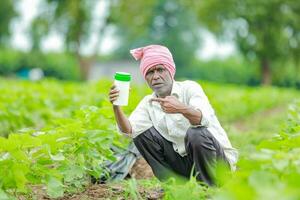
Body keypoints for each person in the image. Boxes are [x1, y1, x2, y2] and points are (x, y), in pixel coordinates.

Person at [108, 44, 238, 186]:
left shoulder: (189, 88)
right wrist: (116, 106)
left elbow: (202, 119)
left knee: (196, 133)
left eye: (160, 70)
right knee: (140, 135)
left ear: (171, 71)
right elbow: (128, 131)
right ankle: (174, 185)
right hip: (188, 164)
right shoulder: (149, 103)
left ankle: (211, 188)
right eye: (150, 72)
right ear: (146, 78)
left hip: (217, 164)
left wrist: (181, 108)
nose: (156, 76)